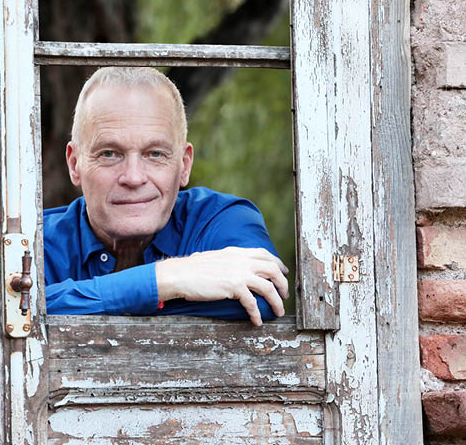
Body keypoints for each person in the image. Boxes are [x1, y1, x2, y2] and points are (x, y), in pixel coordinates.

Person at [44, 67, 289, 326]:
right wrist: (168, 279)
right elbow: (19, 309)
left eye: (155, 154)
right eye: (109, 154)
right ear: (74, 164)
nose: (134, 177)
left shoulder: (221, 220)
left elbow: (264, 295)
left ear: (184, 165)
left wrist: (90, 300)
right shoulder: (37, 242)